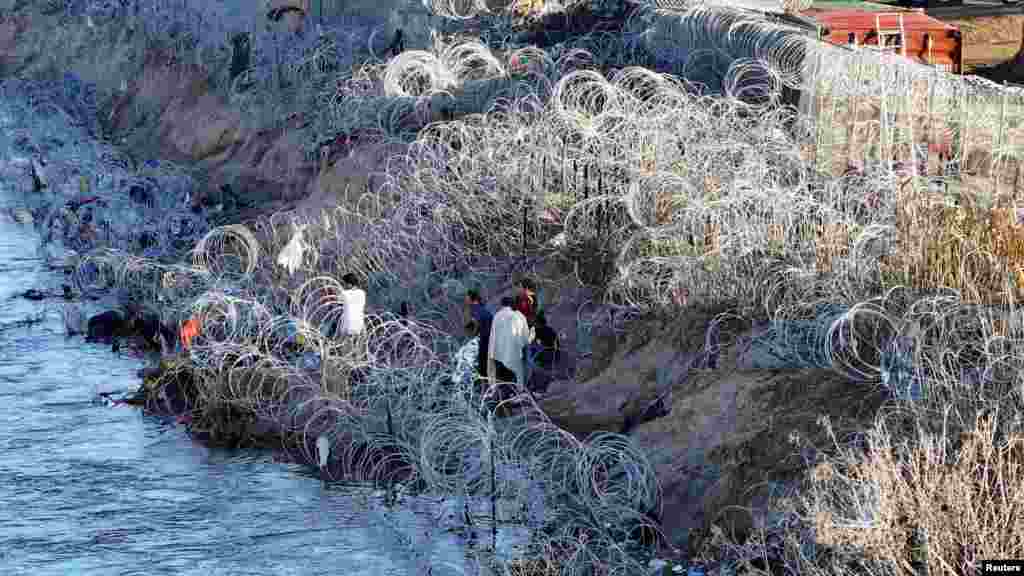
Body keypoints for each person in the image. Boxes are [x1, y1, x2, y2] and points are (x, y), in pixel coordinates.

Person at [488, 296, 532, 387]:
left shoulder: (496, 316)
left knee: (501, 380)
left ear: (501, 305)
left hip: (498, 354)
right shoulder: (518, 316)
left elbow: (493, 336)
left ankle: (499, 393)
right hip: (514, 353)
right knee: (518, 375)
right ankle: (520, 392)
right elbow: (524, 338)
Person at [466, 290, 493, 379]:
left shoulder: (474, 308)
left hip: (485, 337)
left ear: (471, 298)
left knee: (482, 361)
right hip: (491, 335)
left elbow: (477, 322)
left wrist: (473, 333)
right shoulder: (482, 307)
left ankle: (484, 380)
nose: (465, 299)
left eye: (467, 297)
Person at [338, 272, 366, 337]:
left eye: (344, 283)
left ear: (349, 284)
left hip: (347, 326)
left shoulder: (344, 293)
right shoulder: (362, 293)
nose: (344, 286)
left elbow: (338, 303)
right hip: (359, 325)